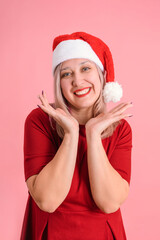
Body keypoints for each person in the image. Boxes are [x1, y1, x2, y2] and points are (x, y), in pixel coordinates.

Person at [20, 31, 133, 240]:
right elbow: (47, 201)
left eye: (85, 68)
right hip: (51, 233)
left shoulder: (120, 129)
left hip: (103, 234)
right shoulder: (39, 120)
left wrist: (92, 133)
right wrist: (72, 133)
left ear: (101, 75)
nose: (77, 81)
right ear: (59, 82)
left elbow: (109, 203)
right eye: (66, 74)